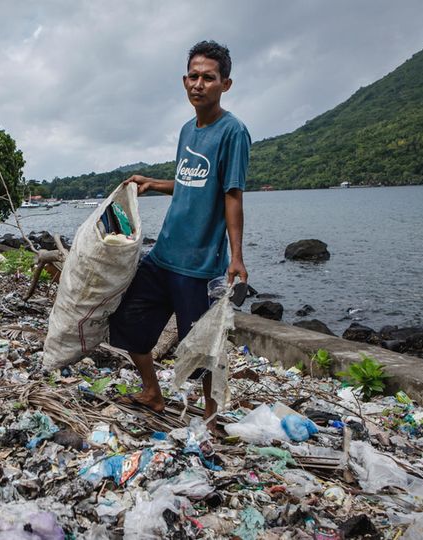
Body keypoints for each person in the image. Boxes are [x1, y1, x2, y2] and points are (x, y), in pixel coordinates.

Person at [109, 40, 250, 423]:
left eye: (208, 77)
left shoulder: (233, 132)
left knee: (202, 348)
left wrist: (236, 257)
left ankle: (210, 415)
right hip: (164, 256)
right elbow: (191, 181)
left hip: (201, 265)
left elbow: (231, 194)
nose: (198, 84)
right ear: (184, 80)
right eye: (193, 76)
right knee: (126, 321)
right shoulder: (188, 130)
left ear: (226, 84)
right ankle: (153, 392)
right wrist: (154, 184)